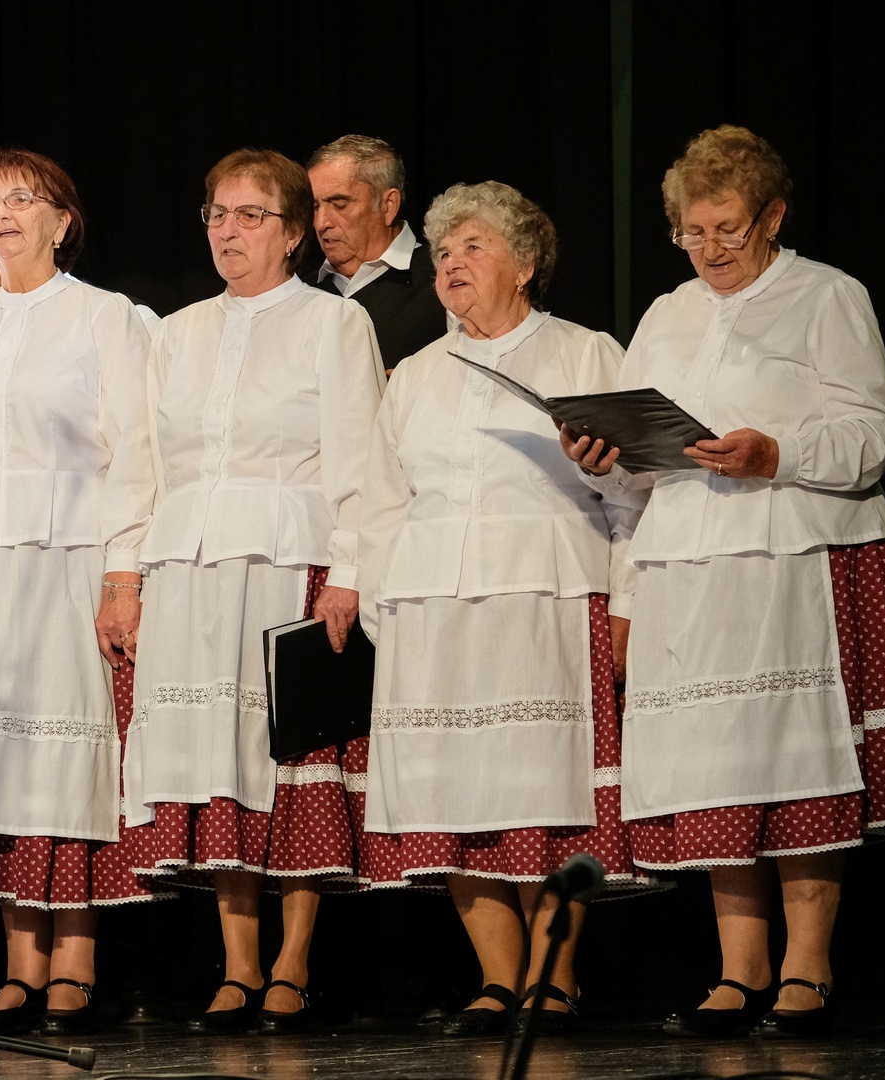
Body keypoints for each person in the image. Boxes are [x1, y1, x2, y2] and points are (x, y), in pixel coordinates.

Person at [562, 125, 885, 1038]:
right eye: (691, 232)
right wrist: (607, 458)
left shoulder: (826, 295)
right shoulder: (667, 313)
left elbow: (875, 433)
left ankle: (809, 966)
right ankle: (740, 968)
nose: (710, 248)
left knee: (794, 759)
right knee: (718, 766)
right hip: (689, 563)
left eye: (727, 229)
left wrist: (778, 453)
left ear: (772, 216)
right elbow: (641, 471)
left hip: (790, 554)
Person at [354, 181, 646, 1037]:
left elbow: (639, 492)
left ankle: (555, 978)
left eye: (473, 247)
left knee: (542, 796)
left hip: (544, 595)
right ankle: (496, 978)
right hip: (431, 605)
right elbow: (381, 503)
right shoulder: (415, 375)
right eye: (443, 252)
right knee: (454, 795)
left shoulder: (585, 354)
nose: (451, 263)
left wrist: (628, 600)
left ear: (525, 264)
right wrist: (383, 611)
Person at [123, 148, 384, 1034]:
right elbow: (149, 469)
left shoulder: (333, 323)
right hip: (189, 566)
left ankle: (293, 962)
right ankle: (237, 965)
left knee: (287, 757)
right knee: (218, 764)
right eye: (217, 215)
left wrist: (349, 572)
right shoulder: (176, 332)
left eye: (250, 216)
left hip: (286, 559)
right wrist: (130, 576)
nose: (228, 232)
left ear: (294, 231)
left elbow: (361, 461)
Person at [0, 147, 157, 1036]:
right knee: (1, 760)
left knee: (62, 757)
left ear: (62, 220)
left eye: (21, 198)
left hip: (67, 560)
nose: (2, 214)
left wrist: (124, 571)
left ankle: (76, 962)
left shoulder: (106, 315)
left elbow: (135, 453)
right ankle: (19, 967)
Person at [306, 135, 446, 374]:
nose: (321, 223)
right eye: (315, 207)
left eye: (339, 204)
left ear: (388, 205)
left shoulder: (445, 277)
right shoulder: (302, 290)